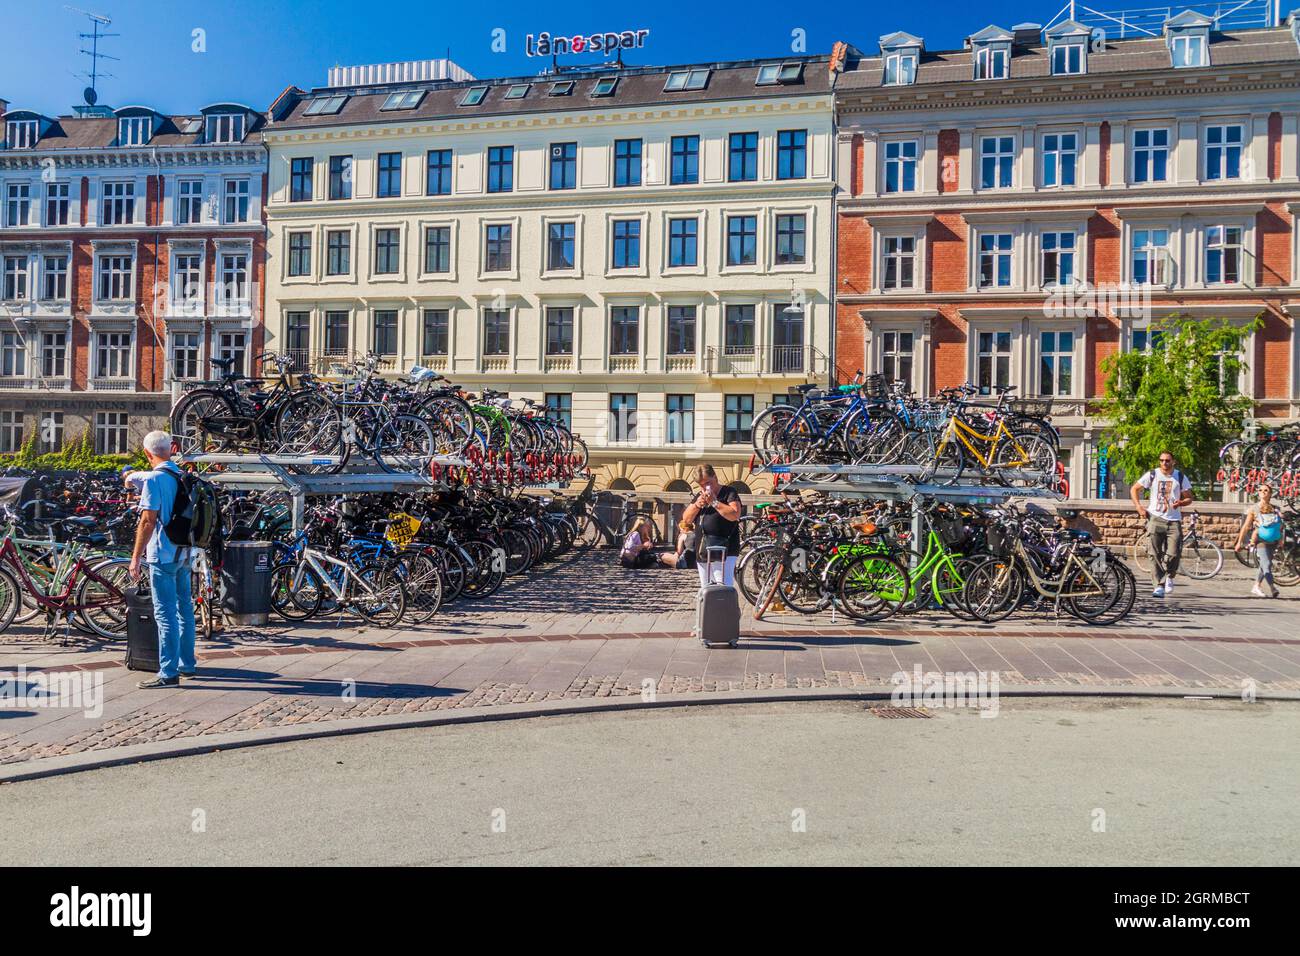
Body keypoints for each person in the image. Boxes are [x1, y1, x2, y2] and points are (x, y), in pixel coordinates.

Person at [124, 430, 197, 688]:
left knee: (164, 613)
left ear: (147, 454)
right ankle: (187, 664)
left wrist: (135, 557)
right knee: (184, 609)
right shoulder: (183, 475)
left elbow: (147, 521)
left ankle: (168, 672)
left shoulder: (155, 480)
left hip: (163, 553)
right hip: (185, 551)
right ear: (172, 449)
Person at [1130, 451, 1193, 599]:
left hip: (1173, 520)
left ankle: (1170, 575)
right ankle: (1158, 585)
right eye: (1162, 460)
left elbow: (1190, 498)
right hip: (1155, 518)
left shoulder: (1180, 476)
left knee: (1174, 553)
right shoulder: (1153, 474)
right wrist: (1138, 506)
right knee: (1154, 553)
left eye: (1167, 460)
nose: (1164, 463)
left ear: (1173, 462)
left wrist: (1182, 502)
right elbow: (1134, 489)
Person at [681, 464, 743, 587]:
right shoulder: (699, 496)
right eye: (702, 485)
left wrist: (714, 502)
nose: (705, 487)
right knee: (707, 589)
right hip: (703, 549)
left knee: (723, 587)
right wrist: (697, 505)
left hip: (725, 548)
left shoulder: (729, 492)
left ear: (715, 477)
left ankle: (725, 607)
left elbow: (735, 514)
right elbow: (686, 519)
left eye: (708, 483)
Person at [1234, 484, 1283, 598]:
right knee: (1267, 564)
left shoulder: (1276, 508)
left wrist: (1280, 539)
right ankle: (1273, 588)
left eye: (1266, 490)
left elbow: (1280, 526)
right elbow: (1246, 526)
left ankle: (1256, 586)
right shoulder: (1254, 508)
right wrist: (1239, 542)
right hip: (1260, 540)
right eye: (1260, 490)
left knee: (1264, 565)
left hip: (1273, 540)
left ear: (1270, 493)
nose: (1263, 492)